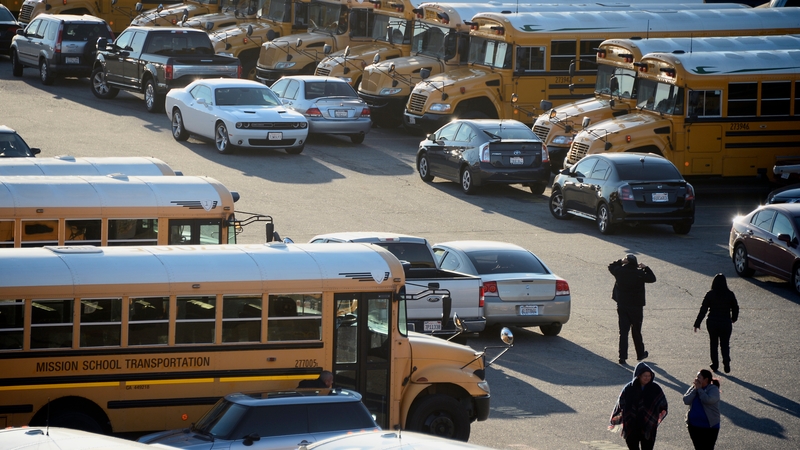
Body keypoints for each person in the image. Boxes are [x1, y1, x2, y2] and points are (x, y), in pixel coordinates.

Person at [609, 254, 657, 365]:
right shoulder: (639, 273)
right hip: (636, 307)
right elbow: (652, 278)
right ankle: (640, 354)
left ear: (627, 262)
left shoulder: (619, 271)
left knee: (623, 332)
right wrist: (646, 267)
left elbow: (611, 266)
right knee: (636, 331)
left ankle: (622, 357)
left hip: (622, 305)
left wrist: (621, 261)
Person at [609, 362, 669, 450]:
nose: (647, 378)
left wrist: (655, 417)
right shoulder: (629, 388)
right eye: (645, 375)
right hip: (631, 425)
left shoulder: (655, 389)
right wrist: (619, 417)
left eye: (649, 375)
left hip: (648, 426)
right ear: (638, 376)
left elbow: (663, 405)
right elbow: (620, 404)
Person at [693, 274, 739, 374]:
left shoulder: (710, 294)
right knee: (725, 344)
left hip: (712, 321)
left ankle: (715, 364)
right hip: (725, 322)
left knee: (713, 343)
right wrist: (734, 318)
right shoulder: (730, 294)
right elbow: (735, 307)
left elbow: (703, 309)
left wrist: (697, 323)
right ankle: (726, 361)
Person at [683, 369, 721, 449]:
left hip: (710, 427)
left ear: (706, 379)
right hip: (694, 426)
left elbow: (708, 400)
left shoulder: (713, 389)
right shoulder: (694, 388)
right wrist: (695, 389)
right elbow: (686, 400)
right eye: (696, 377)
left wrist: (700, 390)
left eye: (699, 377)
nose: (696, 379)